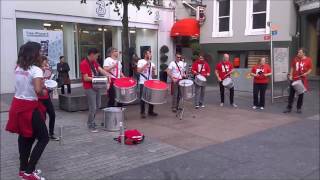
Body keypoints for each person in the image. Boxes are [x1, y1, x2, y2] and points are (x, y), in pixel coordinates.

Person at [6, 42, 49, 180]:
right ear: (34, 54)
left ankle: (23, 169)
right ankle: (29, 172)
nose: (40, 54)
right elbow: (38, 91)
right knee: (43, 138)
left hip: (17, 105)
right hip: (29, 106)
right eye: (39, 51)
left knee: (25, 137)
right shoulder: (36, 70)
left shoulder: (18, 67)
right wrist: (45, 89)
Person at [80, 48, 108, 132]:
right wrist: (98, 79)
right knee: (93, 107)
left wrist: (108, 75)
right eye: (96, 56)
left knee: (98, 105)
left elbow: (100, 70)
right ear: (92, 54)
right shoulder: (84, 63)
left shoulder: (94, 62)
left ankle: (92, 121)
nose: (97, 58)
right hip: (89, 88)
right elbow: (85, 78)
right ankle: (90, 124)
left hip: (96, 86)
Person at [283, 48, 313, 113]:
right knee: (291, 94)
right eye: (298, 52)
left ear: (304, 53)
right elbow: (292, 67)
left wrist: (306, 73)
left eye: (299, 52)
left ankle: (299, 108)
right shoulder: (295, 59)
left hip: (301, 79)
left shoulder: (308, 60)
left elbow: (310, 69)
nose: (298, 54)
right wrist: (290, 75)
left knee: (300, 94)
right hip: (294, 79)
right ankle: (289, 107)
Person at [39, 56, 59, 141]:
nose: (46, 63)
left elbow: (49, 81)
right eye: (45, 61)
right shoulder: (36, 70)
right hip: (38, 98)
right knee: (42, 117)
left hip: (46, 96)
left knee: (52, 114)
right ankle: (40, 134)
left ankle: (51, 133)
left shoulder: (48, 70)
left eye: (46, 61)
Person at [137, 50, 158, 118]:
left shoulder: (152, 63)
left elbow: (154, 76)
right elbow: (138, 71)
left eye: (150, 54)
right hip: (143, 82)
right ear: (145, 55)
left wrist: (154, 71)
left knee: (151, 97)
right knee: (143, 97)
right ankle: (142, 112)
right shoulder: (141, 61)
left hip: (150, 82)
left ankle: (150, 111)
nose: (150, 55)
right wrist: (146, 64)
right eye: (149, 54)